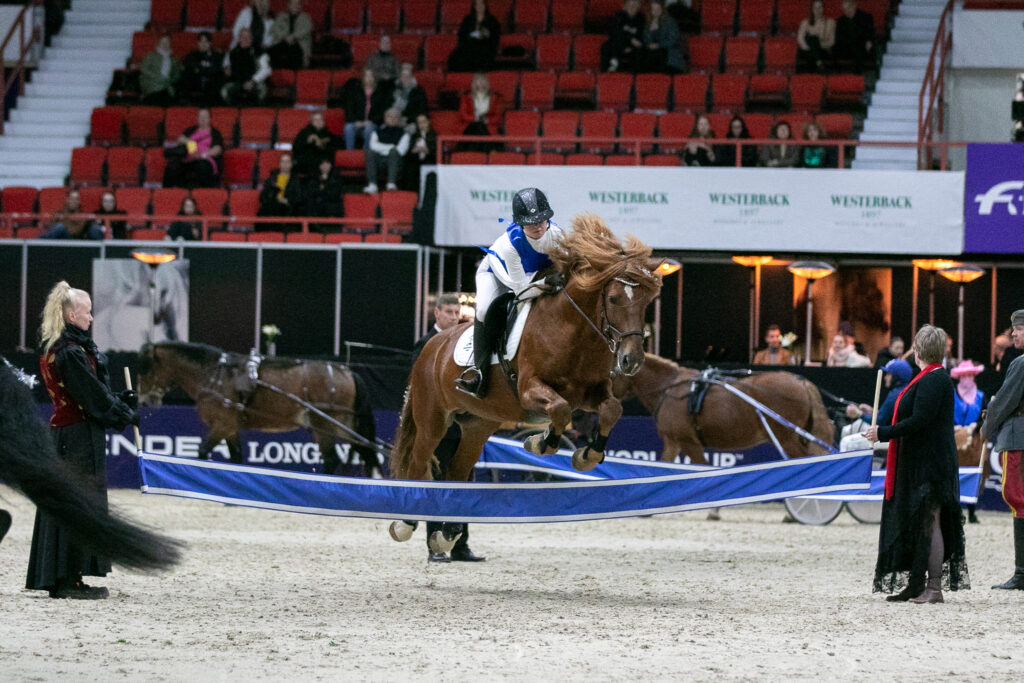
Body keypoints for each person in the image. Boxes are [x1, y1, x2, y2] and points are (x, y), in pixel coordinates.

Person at [26, 281, 139, 599]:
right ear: (71, 314)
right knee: (79, 503)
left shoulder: (59, 349)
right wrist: (124, 413)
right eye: (87, 312)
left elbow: (90, 392)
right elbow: (92, 398)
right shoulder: (70, 353)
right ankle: (68, 581)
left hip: (67, 434)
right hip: (77, 437)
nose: (91, 318)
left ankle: (64, 576)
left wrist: (118, 401)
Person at [862, 325, 970, 604]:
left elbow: (920, 420)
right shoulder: (930, 377)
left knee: (930, 521)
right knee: (922, 522)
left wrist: (882, 432)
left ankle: (933, 587)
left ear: (918, 351)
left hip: (930, 463)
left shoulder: (934, 379)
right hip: (923, 460)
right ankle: (917, 583)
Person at [455, 188, 564, 398]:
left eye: (541, 220)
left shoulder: (558, 236)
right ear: (520, 223)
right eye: (531, 222)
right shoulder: (510, 245)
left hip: (531, 276)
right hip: (497, 276)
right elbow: (521, 290)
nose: (538, 226)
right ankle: (479, 372)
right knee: (484, 310)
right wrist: (545, 283)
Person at [412, 294, 487, 563]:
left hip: (465, 429)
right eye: (449, 312)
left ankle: (460, 544)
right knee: (438, 484)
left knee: (463, 484)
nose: (455, 317)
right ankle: (435, 545)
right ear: (437, 314)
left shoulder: (467, 343)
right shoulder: (426, 344)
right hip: (439, 430)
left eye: (457, 312)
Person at [981, 309, 1024, 590]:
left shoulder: (1020, 363)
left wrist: (987, 426)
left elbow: (1005, 400)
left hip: (1018, 437)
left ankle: (1021, 573)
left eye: (1019, 329)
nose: (1014, 334)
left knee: (1016, 496)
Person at [162, 107, 225, 189]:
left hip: (204, 159)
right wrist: (191, 145)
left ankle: (203, 193)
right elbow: (180, 139)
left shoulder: (215, 133)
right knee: (172, 166)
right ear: (197, 118)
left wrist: (201, 155)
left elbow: (217, 149)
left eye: (205, 117)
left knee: (202, 166)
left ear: (210, 118)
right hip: (188, 158)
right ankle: (167, 192)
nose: (203, 119)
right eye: (200, 117)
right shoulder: (191, 130)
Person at [846, 358, 913, 426]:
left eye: (888, 374)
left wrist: (858, 413)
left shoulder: (894, 395)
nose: (885, 377)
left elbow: (878, 422)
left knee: (846, 431)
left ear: (896, 377)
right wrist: (872, 411)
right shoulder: (905, 390)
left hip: (891, 432)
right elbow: (886, 416)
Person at [363, 108, 410, 194]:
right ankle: (372, 185)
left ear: (399, 119)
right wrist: (391, 146)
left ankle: (391, 184)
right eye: (389, 116)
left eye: (395, 117)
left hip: (396, 162)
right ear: (385, 118)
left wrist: (382, 148)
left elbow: (401, 151)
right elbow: (373, 146)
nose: (392, 119)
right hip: (379, 161)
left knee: (394, 152)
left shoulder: (405, 134)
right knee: (370, 152)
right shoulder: (377, 132)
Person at [221, 27, 272, 105]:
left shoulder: (259, 52)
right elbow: (226, 65)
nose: (245, 39)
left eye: (248, 37)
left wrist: (253, 81)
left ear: (251, 38)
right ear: (239, 38)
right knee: (224, 91)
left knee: (262, 90)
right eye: (243, 37)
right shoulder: (232, 52)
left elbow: (267, 70)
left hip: (255, 83)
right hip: (238, 83)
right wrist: (226, 69)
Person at [448, 0, 501, 73]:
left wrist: (487, 34)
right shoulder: (467, 19)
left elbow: (495, 37)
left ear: (485, 6)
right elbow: (462, 35)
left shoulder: (492, 20)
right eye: (477, 5)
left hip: (485, 46)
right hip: (469, 46)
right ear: (474, 7)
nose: (480, 7)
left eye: (481, 4)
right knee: (456, 55)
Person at [343, 69, 389, 150]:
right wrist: (356, 121)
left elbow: (382, 113)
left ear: (375, 78)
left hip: (373, 123)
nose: (369, 78)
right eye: (367, 76)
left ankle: (366, 153)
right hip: (358, 123)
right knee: (348, 127)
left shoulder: (380, 93)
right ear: (363, 78)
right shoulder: (356, 92)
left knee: (369, 128)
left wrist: (371, 121)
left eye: (371, 76)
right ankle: (350, 152)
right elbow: (349, 110)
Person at [639, 0, 684, 73]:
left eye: (658, 10)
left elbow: (673, 40)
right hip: (652, 54)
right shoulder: (648, 22)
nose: (655, 12)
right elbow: (645, 40)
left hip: (668, 54)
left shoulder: (670, 22)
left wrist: (659, 45)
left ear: (662, 10)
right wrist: (651, 31)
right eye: (653, 10)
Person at [258, 152, 305, 222]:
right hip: (271, 207)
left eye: (287, 162)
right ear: (279, 164)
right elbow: (262, 197)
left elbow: (298, 198)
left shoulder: (296, 181)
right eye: (283, 161)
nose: (285, 164)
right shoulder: (271, 179)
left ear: (291, 164)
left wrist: (286, 201)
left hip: (287, 209)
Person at [181, 32, 224, 106]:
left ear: (210, 43)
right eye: (201, 41)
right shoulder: (191, 55)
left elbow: (216, 70)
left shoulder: (216, 56)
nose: (203, 44)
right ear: (198, 43)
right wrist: (205, 70)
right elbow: (189, 69)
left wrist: (199, 69)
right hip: (195, 84)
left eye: (206, 41)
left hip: (211, 86)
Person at [458, 72, 506, 138]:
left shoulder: (496, 97)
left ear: (487, 82)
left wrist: (486, 120)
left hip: (488, 127)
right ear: (474, 83)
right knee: (477, 126)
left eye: (483, 80)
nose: (480, 82)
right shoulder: (466, 97)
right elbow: (463, 115)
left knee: (481, 127)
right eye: (478, 80)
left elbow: (497, 116)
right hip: (470, 126)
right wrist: (476, 118)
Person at [268, 0, 312, 70]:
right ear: (288, 5)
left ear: (300, 6)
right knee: (271, 52)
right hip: (283, 42)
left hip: (299, 45)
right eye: (293, 3)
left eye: (297, 4)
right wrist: (285, 36)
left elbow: (306, 29)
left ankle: (291, 74)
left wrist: (293, 37)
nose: (295, 6)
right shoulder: (281, 16)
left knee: (293, 52)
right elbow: (274, 29)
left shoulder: (306, 17)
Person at [291, 110, 337, 177]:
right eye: (316, 120)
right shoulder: (304, 132)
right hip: (306, 162)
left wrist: (323, 142)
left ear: (323, 122)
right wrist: (307, 142)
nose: (318, 122)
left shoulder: (328, 134)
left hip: (322, 162)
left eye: (320, 120)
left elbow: (335, 147)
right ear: (311, 122)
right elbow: (295, 148)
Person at [833, 0, 874, 74]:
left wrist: (869, 41)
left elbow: (870, 34)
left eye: (848, 8)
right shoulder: (841, 21)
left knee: (858, 48)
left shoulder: (865, 17)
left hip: (861, 48)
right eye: (844, 10)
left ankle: (857, 76)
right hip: (846, 47)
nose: (847, 12)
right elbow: (839, 38)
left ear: (854, 5)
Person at [602, 0, 644, 72]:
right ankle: (605, 71)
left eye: (634, 6)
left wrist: (631, 46)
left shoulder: (641, 18)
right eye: (629, 5)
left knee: (640, 49)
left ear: (638, 7)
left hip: (633, 46)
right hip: (619, 43)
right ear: (624, 7)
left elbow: (641, 35)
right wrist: (626, 43)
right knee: (606, 46)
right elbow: (614, 33)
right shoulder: (618, 16)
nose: (632, 8)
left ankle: (635, 74)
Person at [139, 33, 181, 106]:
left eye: (167, 42)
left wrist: (168, 80)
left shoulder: (173, 59)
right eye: (162, 42)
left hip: (167, 87)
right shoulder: (151, 55)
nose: (165, 44)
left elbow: (176, 75)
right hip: (152, 86)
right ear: (158, 43)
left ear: (170, 44)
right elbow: (144, 69)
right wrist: (158, 78)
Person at [797, 0, 835, 74]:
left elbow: (831, 41)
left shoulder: (830, 22)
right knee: (811, 39)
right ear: (812, 9)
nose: (818, 10)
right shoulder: (805, 22)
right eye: (815, 8)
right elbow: (800, 39)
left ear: (823, 8)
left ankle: (813, 71)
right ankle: (819, 64)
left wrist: (817, 45)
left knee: (812, 38)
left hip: (824, 50)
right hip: (808, 50)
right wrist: (811, 47)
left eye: (820, 7)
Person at [304, 158, 344, 224]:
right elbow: (311, 191)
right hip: (317, 203)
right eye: (323, 164)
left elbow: (335, 194)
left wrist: (324, 189)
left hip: (330, 203)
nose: (325, 166)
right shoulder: (314, 177)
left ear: (330, 165)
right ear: (319, 166)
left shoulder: (336, 178)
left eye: (327, 164)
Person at [404, 112, 436, 192]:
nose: (422, 124)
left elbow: (437, 153)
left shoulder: (435, 136)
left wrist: (427, 151)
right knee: (410, 168)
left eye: (424, 122)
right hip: (416, 161)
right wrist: (414, 151)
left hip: (430, 160)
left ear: (428, 122)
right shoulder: (414, 136)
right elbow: (408, 154)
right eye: (419, 122)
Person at [391, 63, 429, 129]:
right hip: (392, 119)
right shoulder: (393, 88)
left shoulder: (418, 90)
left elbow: (422, 110)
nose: (405, 79)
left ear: (412, 77)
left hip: (410, 121)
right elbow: (387, 106)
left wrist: (408, 119)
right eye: (403, 75)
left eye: (407, 76)